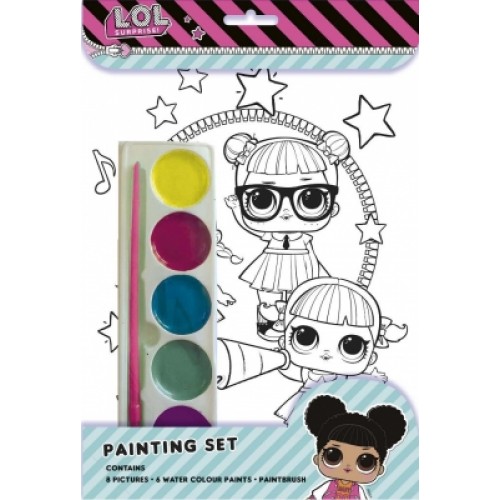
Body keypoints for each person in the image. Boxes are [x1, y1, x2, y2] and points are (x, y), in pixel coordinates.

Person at [224, 131, 349, 340]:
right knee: (268, 296)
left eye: (311, 199)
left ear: (332, 206)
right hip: (272, 263)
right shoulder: (270, 234)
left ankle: (295, 330)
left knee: (299, 297)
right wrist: (237, 210)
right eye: (262, 199)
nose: (286, 211)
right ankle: (269, 324)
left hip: (302, 263)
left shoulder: (304, 239)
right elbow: (251, 227)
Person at [304, 395, 407, 499]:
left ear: (380, 469)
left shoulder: (359, 491)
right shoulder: (327, 486)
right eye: (333, 456)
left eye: (365, 462)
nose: (348, 467)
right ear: (317, 458)